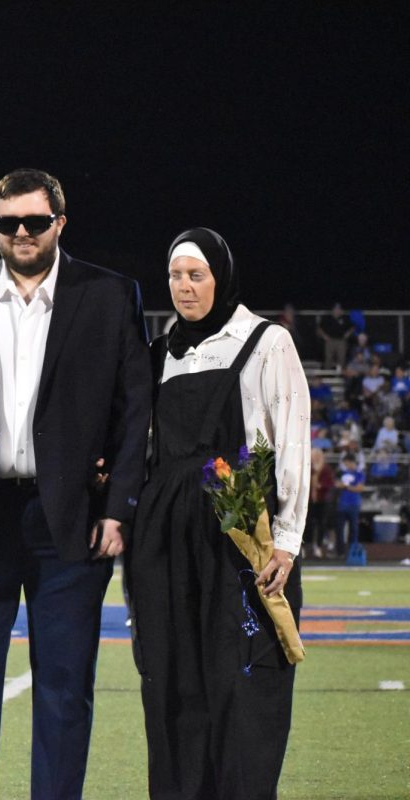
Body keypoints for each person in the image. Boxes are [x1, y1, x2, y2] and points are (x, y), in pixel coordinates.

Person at [0, 168, 151, 800]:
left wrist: (119, 506)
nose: (20, 233)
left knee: (66, 690)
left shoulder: (110, 294)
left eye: (35, 222)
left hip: (71, 519)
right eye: (7, 222)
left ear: (59, 224)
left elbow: (134, 410)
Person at [127, 227, 310, 799]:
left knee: (242, 680)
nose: (184, 287)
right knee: (173, 680)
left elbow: (292, 440)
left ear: (221, 277)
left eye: (196, 275)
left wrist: (286, 539)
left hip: (239, 534)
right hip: (165, 536)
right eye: (176, 276)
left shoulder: (266, 342)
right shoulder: (158, 352)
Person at [307, 448, 336, 558]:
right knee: (307, 524)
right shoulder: (307, 467)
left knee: (321, 524)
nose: (316, 458)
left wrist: (320, 486)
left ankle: (318, 546)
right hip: (309, 500)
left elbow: (330, 484)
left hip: (322, 500)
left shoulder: (326, 468)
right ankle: (307, 546)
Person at [336, 452, 365, 549]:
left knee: (354, 528)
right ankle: (340, 550)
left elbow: (360, 488)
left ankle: (353, 549)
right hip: (342, 504)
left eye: (346, 463)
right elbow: (337, 484)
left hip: (353, 504)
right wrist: (350, 487)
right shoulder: (342, 473)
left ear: (351, 462)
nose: (346, 465)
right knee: (339, 528)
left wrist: (347, 486)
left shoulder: (359, 473)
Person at [317, 302, 353, 370]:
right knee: (328, 358)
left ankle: (339, 374)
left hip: (341, 341)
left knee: (341, 357)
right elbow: (319, 328)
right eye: (336, 309)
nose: (337, 311)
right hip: (330, 340)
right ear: (333, 310)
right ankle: (327, 373)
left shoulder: (344, 319)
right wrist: (324, 336)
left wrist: (347, 334)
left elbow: (352, 327)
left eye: (339, 309)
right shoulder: (328, 319)